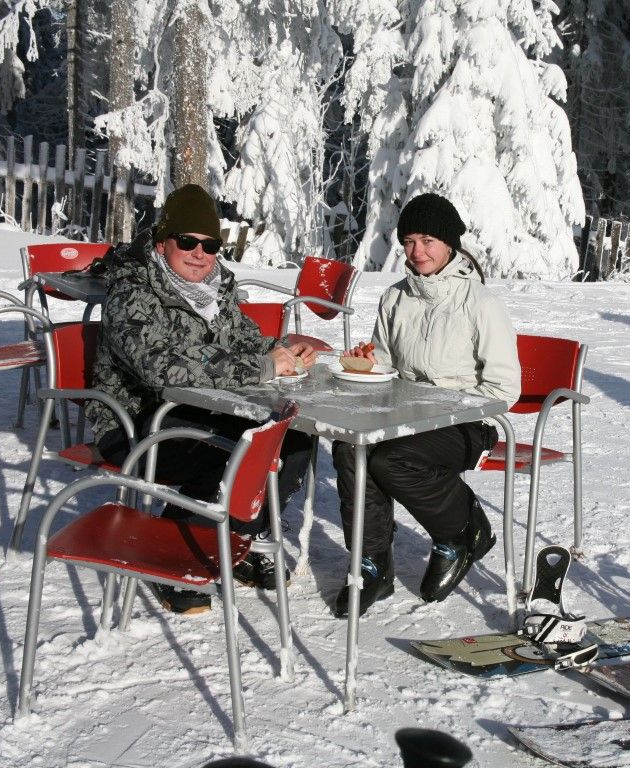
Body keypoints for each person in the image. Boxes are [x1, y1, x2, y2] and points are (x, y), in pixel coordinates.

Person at [86, 184, 318, 615]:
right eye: (187, 241)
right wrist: (262, 367)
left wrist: (282, 351)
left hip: (198, 410)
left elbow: (245, 340)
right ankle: (176, 552)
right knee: (235, 454)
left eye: (210, 245)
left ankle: (234, 542)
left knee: (296, 440)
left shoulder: (217, 289)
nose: (199, 253)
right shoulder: (133, 290)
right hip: (135, 423)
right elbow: (160, 366)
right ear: (162, 242)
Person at [331, 192, 521, 617]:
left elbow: (504, 388)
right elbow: (386, 360)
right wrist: (369, 364)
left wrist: (442, 406)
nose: (417, 252)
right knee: (349, 448)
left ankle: (460, 530)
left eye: (428, 241)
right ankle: (371, 563)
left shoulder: (480, 304)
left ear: (450, 244)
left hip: (468, 422)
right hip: (408, 416)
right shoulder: (396, 298)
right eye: (410, 242)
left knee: (391, 461)